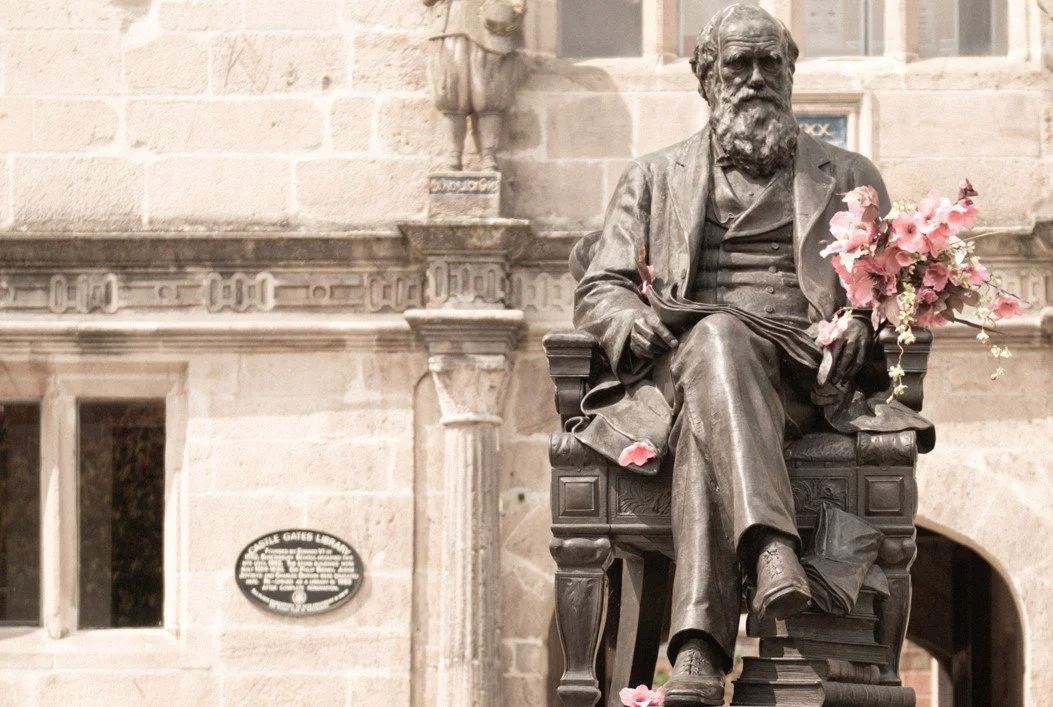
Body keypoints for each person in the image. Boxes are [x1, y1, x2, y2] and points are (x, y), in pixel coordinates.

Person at [572, 5, 928, 705]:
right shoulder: (653, 177)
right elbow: (600, 286)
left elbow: (891, 285)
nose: (756, 78)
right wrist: (626, 319)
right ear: (706, 79)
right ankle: (769, 549)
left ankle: (699, 651)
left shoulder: (849, 175)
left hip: (807, 380)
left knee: (713, 378)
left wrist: (861, 316)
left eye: (772, 64)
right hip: (683, 370)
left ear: (790, 74)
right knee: (715, 338)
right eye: (738, 65)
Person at [423, 0, 523, 171]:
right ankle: (453, 154)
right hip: (452, 24)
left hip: (490, 24)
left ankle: (489, 155)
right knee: (451, 91)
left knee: (490, 92)